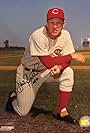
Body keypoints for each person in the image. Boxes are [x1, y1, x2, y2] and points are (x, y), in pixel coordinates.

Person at [6, 7, 85, 124]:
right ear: (46, 23)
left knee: (68, 72)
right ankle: (13, 97)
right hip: (28, 74)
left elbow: (64, 62)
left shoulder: (66, 35)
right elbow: (48, 62)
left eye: (59, 23)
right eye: (52, 22)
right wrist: (72, 56)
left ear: (64, 24)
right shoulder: (38, 35)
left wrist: (60, 67)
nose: (55, 26)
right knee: (22, 112)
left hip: (46, 72)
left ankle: (62, 112)